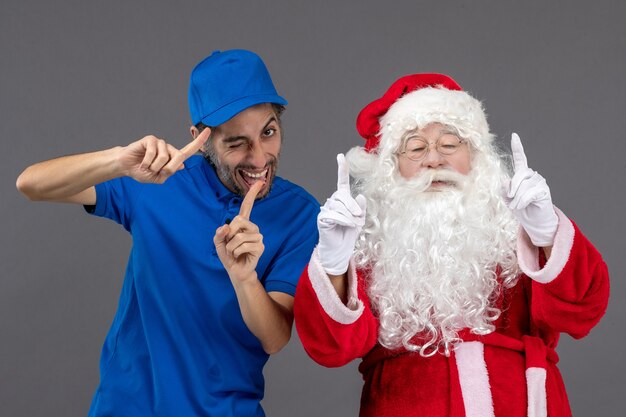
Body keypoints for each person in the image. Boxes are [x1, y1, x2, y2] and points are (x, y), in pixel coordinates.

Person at [16, 49, 319, 417]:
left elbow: (274, 338)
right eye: (237, 143)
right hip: (127, 408)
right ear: (201, 138)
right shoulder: (158, 181)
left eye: (268, 132)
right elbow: (31, 184)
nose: (259, 158)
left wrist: (244, 279)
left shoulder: (301, 213)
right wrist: (118, 161)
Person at [293, 74, 609, 417]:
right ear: (391, 168)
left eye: (449, 144)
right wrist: (334, 264)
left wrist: (547, 234)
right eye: (415, 147)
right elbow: (331, 349)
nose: (434, 160)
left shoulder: (514, 231)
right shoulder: (371, 246)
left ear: (475, 156)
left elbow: (584, 311)